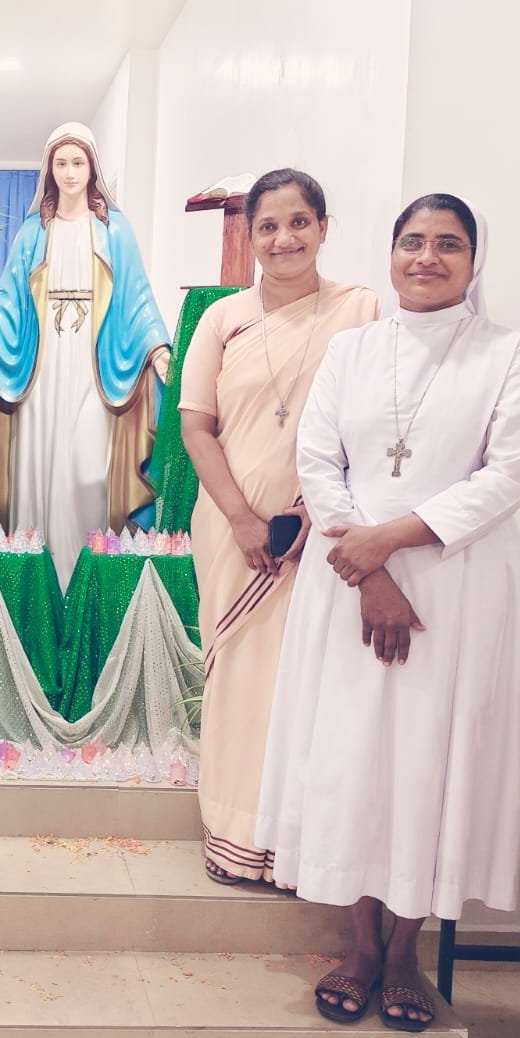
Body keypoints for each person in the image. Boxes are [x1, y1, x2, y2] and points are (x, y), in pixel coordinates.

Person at [256, 194, 520, 1029]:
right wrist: (368, 567)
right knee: (353, 755)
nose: (427, 257)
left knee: (427, 758)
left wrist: (389, 540)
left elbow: (511, 473)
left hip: (455, 588)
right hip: (349, 580)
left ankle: (404, 952)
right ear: (390, 254)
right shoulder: (352, 350)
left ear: (474, 261)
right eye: (412, 241)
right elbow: (317, 460)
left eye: (448, 244)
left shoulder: (506, 353)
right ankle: (358, 944)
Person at [180, 169, 378, 885]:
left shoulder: (361, 310)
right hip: (234, 530)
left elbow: (373, 423)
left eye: (299, 222)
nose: (284, 238)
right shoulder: (222, 318)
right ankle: (234, 835)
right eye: (268, 226)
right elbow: (197, 427)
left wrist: (318, 515)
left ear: (323, 227)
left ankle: (298, 849)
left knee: (309, 685)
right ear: (250, 235)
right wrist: (241, 519)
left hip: (322, 533)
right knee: (240, 679)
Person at [0, 123, 170, 589]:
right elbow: (7, 300)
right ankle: (38, 584)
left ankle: (87, 582)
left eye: (78, 163)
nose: (69, 173)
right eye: (61, 163)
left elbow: (136, 296)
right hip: (41, 366)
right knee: (36, 465)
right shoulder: (33, 231)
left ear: (92, 168)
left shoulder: (113, 230)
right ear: (49, 169)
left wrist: (157, 347)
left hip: (94, 365)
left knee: (89, 470)